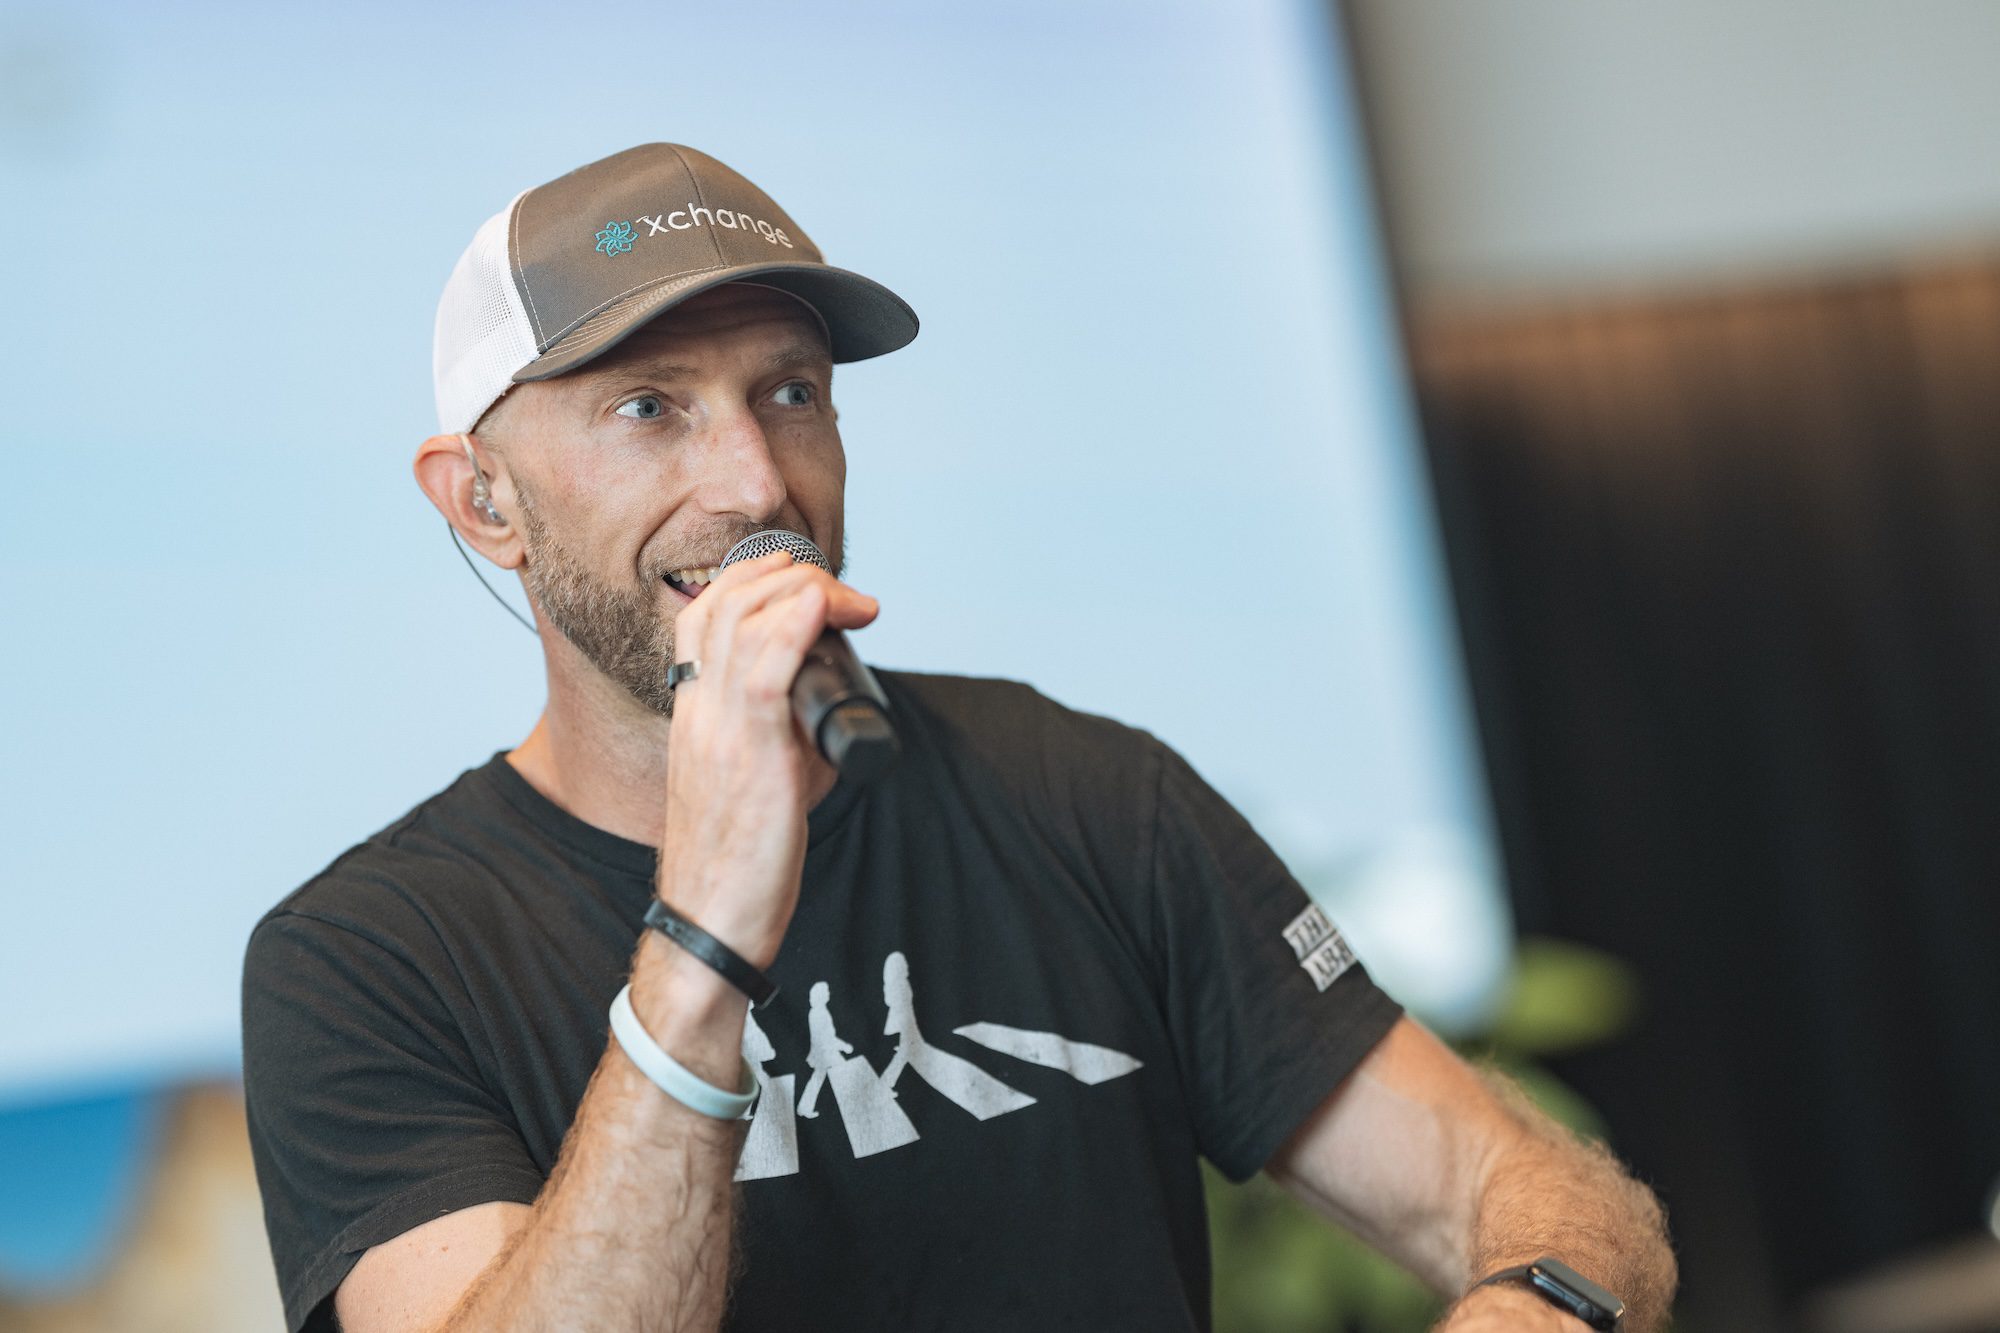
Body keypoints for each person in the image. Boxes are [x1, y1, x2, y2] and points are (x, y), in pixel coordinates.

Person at [240, 143, 1676, 1333]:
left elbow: (1536, 1191)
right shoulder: (368, 959)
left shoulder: (1080, 791)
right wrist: (707, 929)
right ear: (483, 502)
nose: (755, 479)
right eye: (649, 408)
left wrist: (1542, 1297)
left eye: (790, 392)